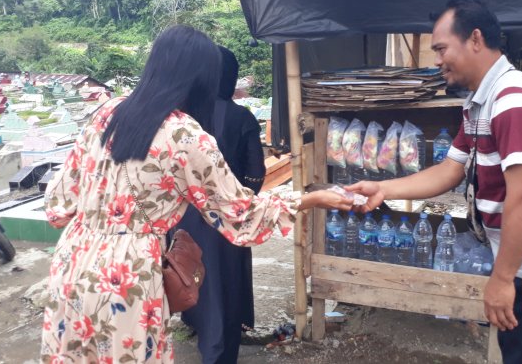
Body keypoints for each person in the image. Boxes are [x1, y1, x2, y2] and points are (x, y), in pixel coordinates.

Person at [41, 25, 351, 364]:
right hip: (127, 277)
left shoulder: (107, 112)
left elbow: (58, 205)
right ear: (205, 79)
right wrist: (311, 198)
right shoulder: (185, 134)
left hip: (71, 263)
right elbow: (242, 216)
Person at [347, 0, 522, 364]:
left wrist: (502, 278)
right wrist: (384, 188)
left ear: (475, 39)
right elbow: (450, 169)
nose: (436, 60)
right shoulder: (480, 103)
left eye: (441, 48)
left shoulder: (514, 100)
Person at [176, 46, 266, 364]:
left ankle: (200, 331)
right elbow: (256, 174)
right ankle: (219, 352)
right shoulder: (241, 117)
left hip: (184, 219)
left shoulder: (180, 119)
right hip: (228, 217)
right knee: (226, 288)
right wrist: (243, 201)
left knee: (191, 279)